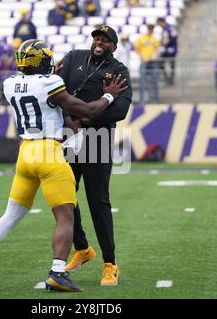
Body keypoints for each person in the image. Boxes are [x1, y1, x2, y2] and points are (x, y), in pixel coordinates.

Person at [0, 39, 127, 292]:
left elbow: (48, 105)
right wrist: (108, 95)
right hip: (49, 153)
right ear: (41, 62)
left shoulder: (10, 84)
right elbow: (88, 109)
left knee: (10, 216)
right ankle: (58, 272)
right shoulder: (50, 83)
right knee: (65, 216)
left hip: (25, 154)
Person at [57, 25, 133, 286]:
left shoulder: (120, 71)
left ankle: (110, 263)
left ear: (114, 46)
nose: (99, 42)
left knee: (97, 201)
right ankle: (82, 248)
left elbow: (120, 110)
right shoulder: (75, 57)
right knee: (64, 196)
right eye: (96, 38)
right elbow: (58, 95)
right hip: (69, 136)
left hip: (97, 141)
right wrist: (70, 120)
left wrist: (85, 122)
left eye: (105, 39)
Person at [135, 24, 161, 104]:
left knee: (155, 81)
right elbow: (136, 49)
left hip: (153, 62)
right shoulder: (141, 38)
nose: (151, 30)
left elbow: (158, 49)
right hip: (144, 62)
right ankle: (141, 101)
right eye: (150, 29)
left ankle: (156, 101)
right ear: (147, 29)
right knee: (142, 82)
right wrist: (142, 56)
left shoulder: (155, 39)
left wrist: (156, 55)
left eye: (152, 29)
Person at [157, 17, 178, 85]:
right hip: (165, 50)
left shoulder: (171, 28)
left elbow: (174, 37)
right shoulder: (163, 29)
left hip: (171, 50)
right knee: (160, 63)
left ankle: (171, 79)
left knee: (172, 65)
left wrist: (168, 42)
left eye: (159, 23)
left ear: (162, 22)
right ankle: (166, 78)